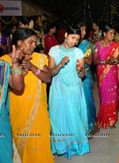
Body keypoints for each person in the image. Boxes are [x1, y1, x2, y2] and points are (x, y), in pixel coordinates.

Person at [1, 27, 53, 163]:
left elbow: (48, 78)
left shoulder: (40, 58)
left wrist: (32, 67)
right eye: (30, 42)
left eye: (35, 42)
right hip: (16, 110)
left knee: (39, 146)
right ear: (19, 43)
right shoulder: (5, 61)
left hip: (38, 112)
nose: (34, 45)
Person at [48, 26, 90, 159]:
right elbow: (50, 72)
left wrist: (80, 70)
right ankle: (61, 146)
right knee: (58, 117)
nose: (74, 42)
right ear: (66, 35)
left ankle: (75, 145)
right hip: (58, 89)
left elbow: (82, 76)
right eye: (72, 38)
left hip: (74, 89)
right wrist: (60, 64)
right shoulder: (54, 50)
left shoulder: (78, 52)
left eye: (77, 40)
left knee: (74, 117)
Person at [93, 25, 119, 129]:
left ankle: (112, 120)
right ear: (104, 33)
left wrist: (115, 61)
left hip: (113, 73)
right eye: (110, 33)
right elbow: (95, 61)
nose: (112, 35)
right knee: (104, 95)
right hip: (102, 74)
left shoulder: (116, 46)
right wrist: (106, 61)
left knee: (113, 95)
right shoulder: (97, 45)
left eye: (113, 33)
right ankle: (105, 118)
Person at [0, 45, 25, 163]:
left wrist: (15, 63)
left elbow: (18, 86)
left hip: (1, 121)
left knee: (4, 154)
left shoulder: (2, 66)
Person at [78, 22, 97, 133]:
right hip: (72, 77)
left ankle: (90, 124)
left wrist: (77, 55)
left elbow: (89, 61)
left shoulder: (88, 45)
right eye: (81, 30)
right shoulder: (70, 44)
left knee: (87, 100)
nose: (84, 33)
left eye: (85, 30)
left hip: (85, 76)